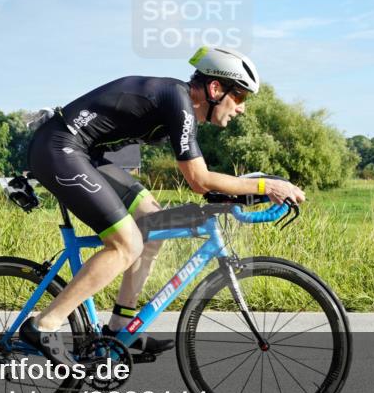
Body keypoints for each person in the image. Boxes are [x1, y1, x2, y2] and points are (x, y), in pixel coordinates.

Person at [20, 47, 306, 365]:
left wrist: (245, 192)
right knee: (126, 244)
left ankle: (118, 329)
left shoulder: (179, 104)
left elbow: (201, 179)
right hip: (60, 149)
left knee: (152, 224)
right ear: (215, 89)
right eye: (239, 98)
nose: (241, 109)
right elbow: (199, 179)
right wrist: (267, 186)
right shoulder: (178, 101)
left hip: (85, 155)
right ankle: (43, 325)